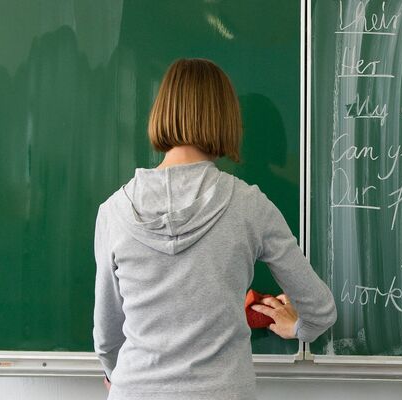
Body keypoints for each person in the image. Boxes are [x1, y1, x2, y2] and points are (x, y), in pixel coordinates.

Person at [92, 58, 337, 400]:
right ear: (226, 119)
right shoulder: (250, 206)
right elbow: (321, 310)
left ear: (162, 113)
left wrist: (116, 375)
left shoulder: (113, 212)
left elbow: (107, 337)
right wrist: (299, 328)